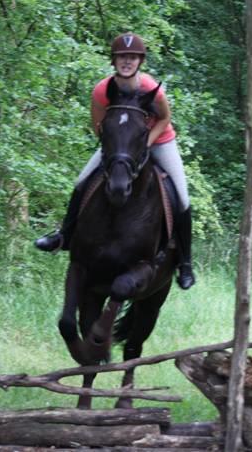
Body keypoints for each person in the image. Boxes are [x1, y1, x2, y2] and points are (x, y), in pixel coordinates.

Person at [34, 32, 196, 289]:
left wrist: (145, 144)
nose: (127, 62)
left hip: (158, 140)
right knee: (82, 181)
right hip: (120, 144)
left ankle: (185, 263)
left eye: (132, 57)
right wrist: (119, 148)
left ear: (140, 61)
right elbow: (98, 126)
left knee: (182, 196)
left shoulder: (151, 89)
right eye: (122, 57)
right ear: (114, 61)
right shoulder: (101, 90)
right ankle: (63, 236)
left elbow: (164, 119)